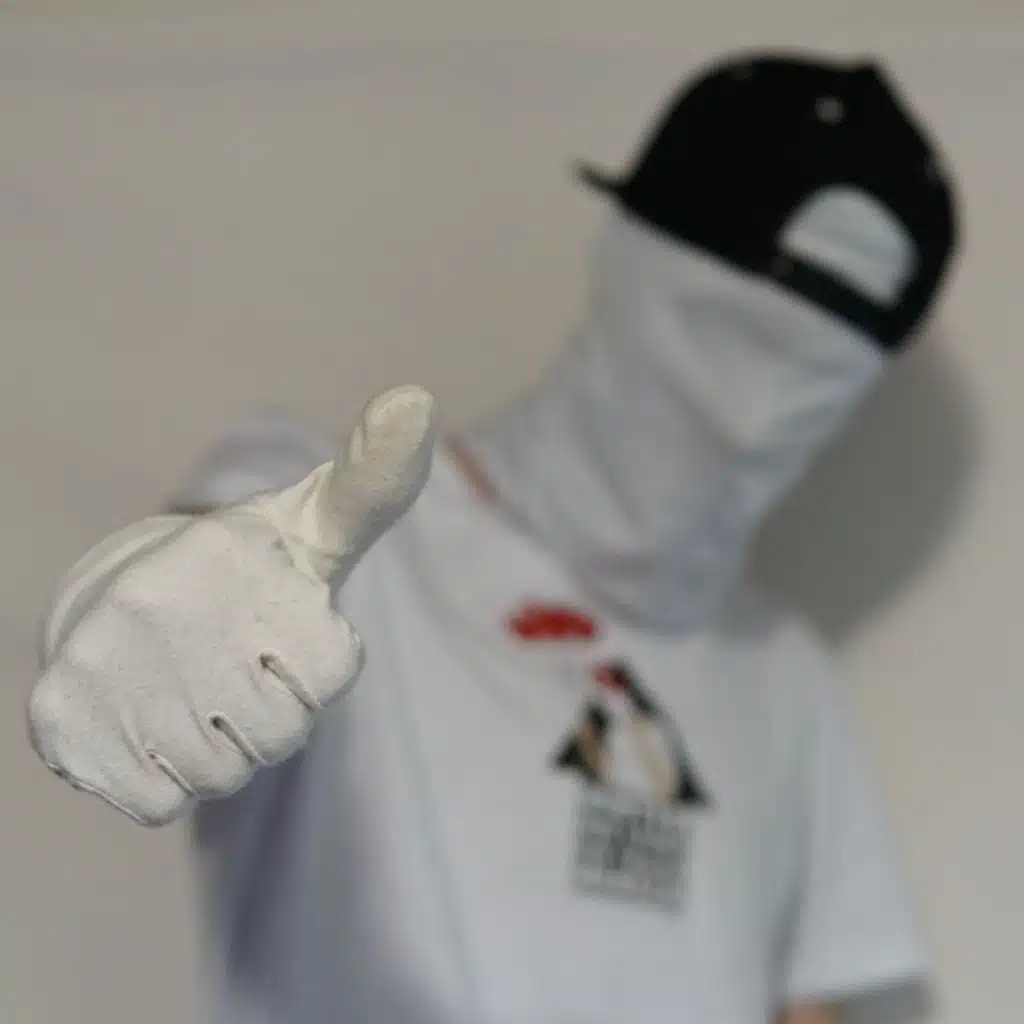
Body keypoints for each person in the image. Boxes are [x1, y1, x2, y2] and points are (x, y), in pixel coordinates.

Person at [27, 51, 959, 1024]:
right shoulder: (334, 534)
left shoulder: (783, 676)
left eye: (814, 394)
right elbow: (182, 581)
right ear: (627, 257)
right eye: (724, 340)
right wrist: (131, 606)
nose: (751, 423)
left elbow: (809, 1010)